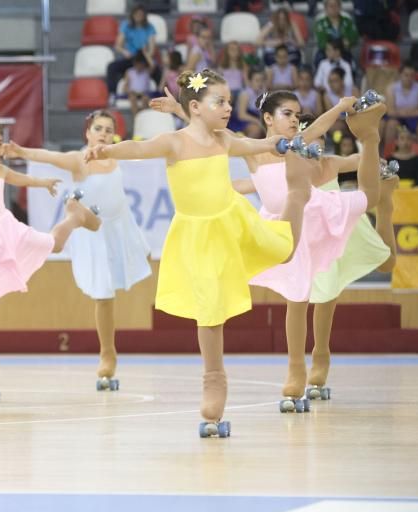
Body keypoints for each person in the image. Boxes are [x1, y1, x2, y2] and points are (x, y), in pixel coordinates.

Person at [85, 69, 300, 437]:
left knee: (285, 251)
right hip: (197, 236)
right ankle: (213, 378)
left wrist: (274, 145)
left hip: (232, 221)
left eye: (230, 101)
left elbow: (248, 144)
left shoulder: (222, 139)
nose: (229, 107)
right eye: (221, 101)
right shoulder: (174, 142)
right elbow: (139, 148)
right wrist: (108, 149)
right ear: (197, 106)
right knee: (209, 308)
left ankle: (298, 201)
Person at [244, 92, 387, 410]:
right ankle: (296, 367)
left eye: (297, 114)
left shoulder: (299, 144)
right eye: (287, 113)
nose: (295, 119)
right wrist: (185, 113)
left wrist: (339, 108)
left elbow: (321, 127)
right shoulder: (252, 150)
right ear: (268, 118)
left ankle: (371, 138)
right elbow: (214, 138)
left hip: (318, 214)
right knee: (297, 298)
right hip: (286, 225)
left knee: (370, 200)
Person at [0, 114, 101, 402]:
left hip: (6, 231)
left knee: (53, 245)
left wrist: (43, 182)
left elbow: (21, 178)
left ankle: (74, 218)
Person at [5, 110, 153, 392]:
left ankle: (109, 351)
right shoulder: (78, 159)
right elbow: (47, 156)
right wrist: (20, 150)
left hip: (121, 226)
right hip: (93, 233)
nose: (103, 134)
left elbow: (143, 150)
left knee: (127, 283)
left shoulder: (116, 155)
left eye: (109, 130)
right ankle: (107, 353)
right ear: (88, 132)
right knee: (103, 294)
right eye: (98, 128)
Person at [105, 3, 158, 102]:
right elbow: (118, 45)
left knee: (158, 70)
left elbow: (152, 48)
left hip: (144, 58)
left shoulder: (149, 27)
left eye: (141, 15)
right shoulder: (126, 26)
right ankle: (112, 94)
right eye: (137, 14)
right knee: (111, 67)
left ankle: (160, 95)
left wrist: (147, 55)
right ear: (133, 15)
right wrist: (125, 52)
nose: (138, 17)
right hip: (131, 57)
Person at [385, 62, 418, 157]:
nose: (409, 78)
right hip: (397, 119)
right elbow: (390, 111)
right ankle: (388, 157)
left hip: (415, 119)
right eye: (406, 75)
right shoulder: (391, 88)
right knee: (391, 125)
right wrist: (410, 112)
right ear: (400, 75)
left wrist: (404, 112)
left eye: (412, 75)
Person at [313, 0, 359, 67]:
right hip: (325, 52)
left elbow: (354, 37)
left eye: (336, 5)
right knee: (320, 59)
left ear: (340, 7)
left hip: (344, 51)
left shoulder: (347, 20)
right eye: (331, 6)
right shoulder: (320, 21)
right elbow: (322, 41)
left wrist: (341, 47)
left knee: (349, 63)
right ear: (325, 8)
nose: (334, 8)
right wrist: (339, 44)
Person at [232, 68, 265, 138]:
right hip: (241, 121)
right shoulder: (245, 94)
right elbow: (241, 115)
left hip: (255, 118)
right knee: (256, 130)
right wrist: (258, 121)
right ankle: (243, 148)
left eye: (262, 80)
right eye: (257, 80)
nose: (260, 83)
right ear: (250, 81)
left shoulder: (262, 94)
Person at [125, 52, 154, 118]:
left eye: (141, 64)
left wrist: (145, 53)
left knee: (145, 99)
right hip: (133, 93)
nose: (139, 66)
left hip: (144, 93)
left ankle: (143, 118)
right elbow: (125, 86)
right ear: (135, 63)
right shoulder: (129, 72)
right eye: (137, 64)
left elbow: (152, 65)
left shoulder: (147, 72)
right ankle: (136, 118)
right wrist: (129, 91)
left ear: (143, 64)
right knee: (132, 98)